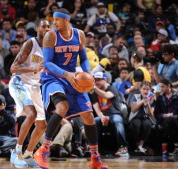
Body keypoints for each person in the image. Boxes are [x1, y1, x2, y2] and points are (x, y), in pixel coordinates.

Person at [34, 9, 108, 169]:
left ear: (67, 20)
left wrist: (87, 72)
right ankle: (43, 150)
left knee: (88, 116)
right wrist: (66, 74)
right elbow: (47, 63)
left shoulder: (79, 34)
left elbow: (84, 58)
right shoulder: (51, 36)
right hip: (53, 77)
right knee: (62, 106)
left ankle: (95, 157)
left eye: (57, 20)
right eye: (53, 19)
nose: (54, 23)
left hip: (73, 76)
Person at [8, 19, 50, 168]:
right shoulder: (30, 43)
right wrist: (32, 69)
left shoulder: (50, 48)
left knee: (42, 125)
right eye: (43, 26)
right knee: (31, 115)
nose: (46, 28)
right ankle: (16, 152)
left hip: (35, 86)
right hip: (20, 82)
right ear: (37, 28)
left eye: (48, 27)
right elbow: (13, 68)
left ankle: (28, 154)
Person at [92, 72, 130, 157]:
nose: (96, 82)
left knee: (117, 120)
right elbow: (96, 108)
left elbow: (106, 95)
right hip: (103, 115)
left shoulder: (112, 88)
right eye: (95, 80)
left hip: (115, 114)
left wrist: (94, 87)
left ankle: (123, 147)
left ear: (105, 80)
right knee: (94, 121)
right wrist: (101, 117)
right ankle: (92, 147)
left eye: (98, 80)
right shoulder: (95, 92)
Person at [129, 81, 155, 154]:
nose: (145, 91)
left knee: (147, 124)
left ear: (150, 90)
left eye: (147, 89)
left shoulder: (152, 98)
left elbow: (150, 114)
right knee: (136, 124)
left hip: (146, 117)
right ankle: (138, 145)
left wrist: (148, 104)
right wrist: (142, 101)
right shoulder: (135, 96)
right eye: (144, 89)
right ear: (140, 89)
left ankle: (141, 145)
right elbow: (133, 110)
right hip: (135, 117)